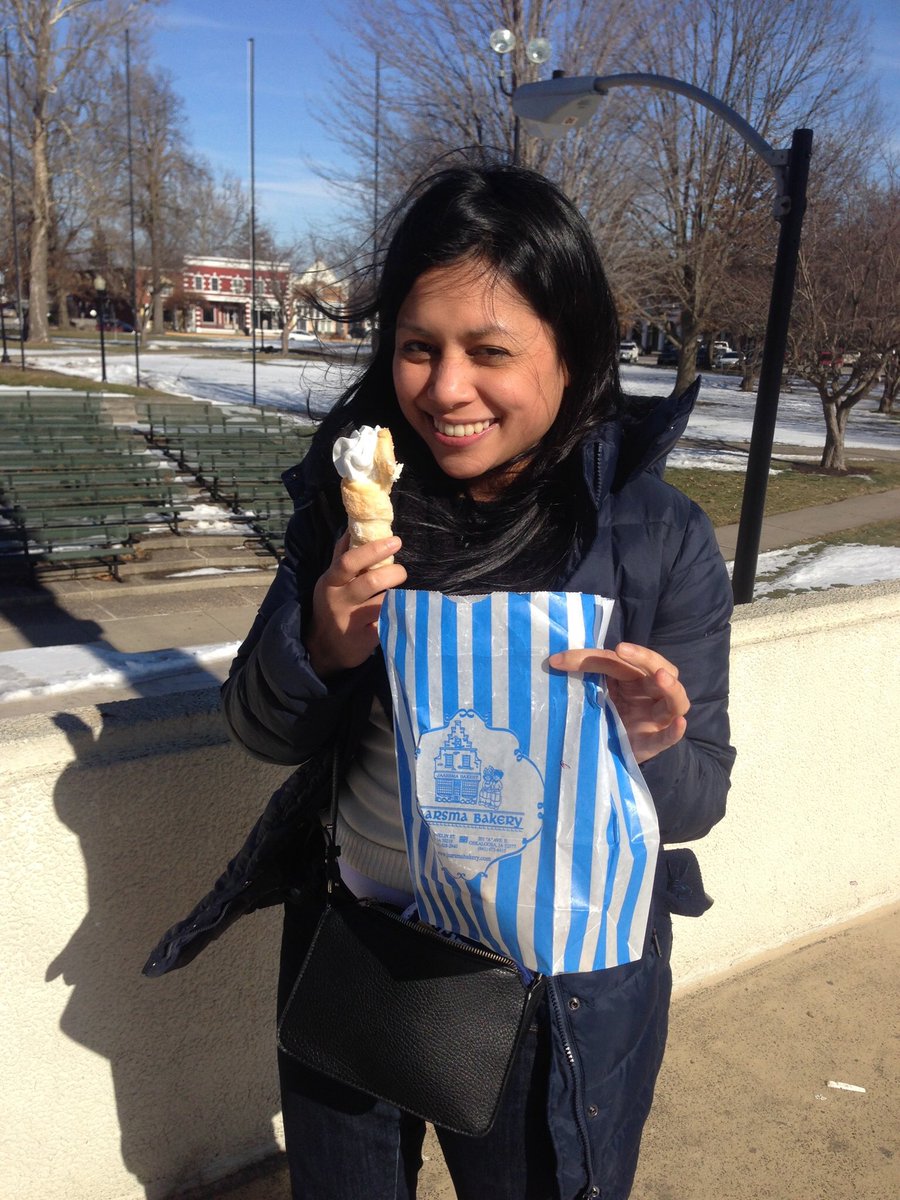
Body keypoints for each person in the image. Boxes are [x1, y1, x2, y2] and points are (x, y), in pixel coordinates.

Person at [145, 163, 735, 1200]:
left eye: (490, 351)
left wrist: (649, 745)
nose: (445, 388)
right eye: (419, 346)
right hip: (361, 945)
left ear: (574, 349)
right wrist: (322, 643)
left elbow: (698, 803)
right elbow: (262, 728)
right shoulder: (350, 507)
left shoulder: (655, 537)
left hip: (550, 985)